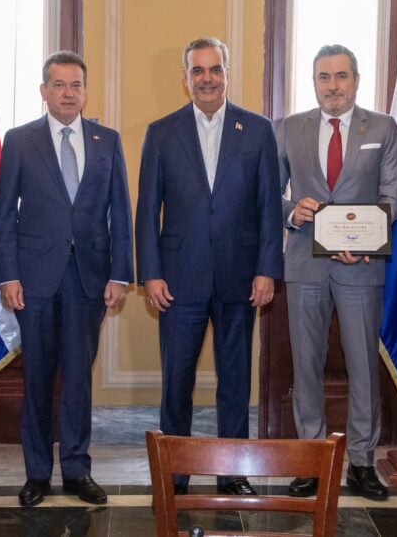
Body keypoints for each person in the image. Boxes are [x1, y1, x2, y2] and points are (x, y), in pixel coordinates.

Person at [135, 37, 283, 496]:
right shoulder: (162, 132)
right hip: (178, 278)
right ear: (185, 78)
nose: (207, 78)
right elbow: (147, 210)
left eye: (215, 69)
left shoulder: (258, 130)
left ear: (227, 74)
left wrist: (267, 269)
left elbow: (268, 208)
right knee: (176, 381)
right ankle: (175, 473)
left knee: (235, 381)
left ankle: (232, 472)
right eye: (197, 71)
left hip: (241, 276)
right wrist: (151, 273)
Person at [0, 51, 133, 508]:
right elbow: (4, 214)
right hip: (34, 278)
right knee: (37, 378)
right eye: (59, 85)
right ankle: (37, 473)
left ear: (85, 91)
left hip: (89, 279)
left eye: (76, 85)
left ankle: (76, 469)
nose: (68, 93)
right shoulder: (20, 140)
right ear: (44, 90)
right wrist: (7, 274)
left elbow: (120, 212)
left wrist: (120, 274)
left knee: (78, 380)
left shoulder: (107, 140)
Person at [276, 44, 397, 500]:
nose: (333, 86)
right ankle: (312, 460)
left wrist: (363, 241)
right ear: (314, 82)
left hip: (361, 266)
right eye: (324, 77)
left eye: (341, 76)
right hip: (305, 263)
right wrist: (292, 212)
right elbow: (270, 192)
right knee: (306, 363)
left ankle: (362, 463)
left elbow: (392, 197)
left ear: (356, 80)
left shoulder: (383, 128)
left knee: (363, 365)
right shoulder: (288, 128)